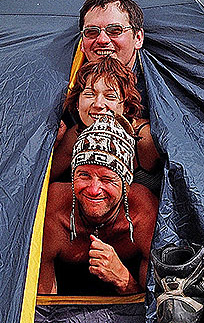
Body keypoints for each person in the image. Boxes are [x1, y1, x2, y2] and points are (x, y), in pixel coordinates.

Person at [38, 113, 158, 295]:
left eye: (106, 179)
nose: (93, 190)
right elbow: (42, 307)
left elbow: (151, 309)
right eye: (84, 175)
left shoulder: (144, 214)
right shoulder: (52, 211)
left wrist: (122, 278)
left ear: (126, 184)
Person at [50, 57, 162, 195]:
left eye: (110, 96)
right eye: (90, 94)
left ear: (126, 106)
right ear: (77, 103)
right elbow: (42, 180)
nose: (98, 104)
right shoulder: (76, 136)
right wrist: (53, 143)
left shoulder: (145, 138)